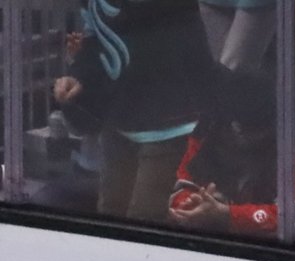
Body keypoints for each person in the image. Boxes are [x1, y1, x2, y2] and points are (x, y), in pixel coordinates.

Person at [52, 0, 214, 222]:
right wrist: (79, 76)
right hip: (118, 120)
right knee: (111, 213)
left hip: (171, 125)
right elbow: (94, 40)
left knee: (145, 220)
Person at [167, 70, 295, 244]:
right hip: (225, 219)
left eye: (251, 132)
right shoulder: (216, 115)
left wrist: (228, 215)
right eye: (236, 129)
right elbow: (185, 182)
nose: (242, 137)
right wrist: (192, 205)